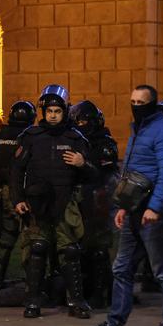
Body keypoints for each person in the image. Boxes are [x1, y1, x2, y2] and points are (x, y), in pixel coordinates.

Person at [81, 84, 163, 326]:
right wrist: (124, 207)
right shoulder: (139, 129)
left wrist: (155, 208)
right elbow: (132, 173)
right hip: (134, 210)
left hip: (152, 212)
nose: (135, 106)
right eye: (132, 101)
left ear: (152, 104)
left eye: (141, 102)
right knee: (122, 268)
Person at [11, 85, 97, 319]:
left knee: (69, 251)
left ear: (65, 111)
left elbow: (94, 174)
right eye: (49, 110)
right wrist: (17, 199)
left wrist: (82, 164)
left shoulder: (75, 139)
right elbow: (17, 171)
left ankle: (76, 301)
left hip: (66, 203)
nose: (52, 115)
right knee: (37, 249)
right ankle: (32, 301)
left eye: (57, 111)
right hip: (37, 205)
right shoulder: (30, 137)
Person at [69, 100, 119, 309]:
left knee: (98, 248)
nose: (82, 124)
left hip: (99, 200)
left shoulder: (104, 143)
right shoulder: (73, 140)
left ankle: (100, 293)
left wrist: (85, 165)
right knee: (76, 248)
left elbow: (105, 172)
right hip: (78, 199)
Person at [0, 100, 37, 290]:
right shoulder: (26, 136)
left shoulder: (2, 134)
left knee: (7, 237)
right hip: (21, 191)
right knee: (28, 236)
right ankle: (31, 283)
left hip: (5, 189)